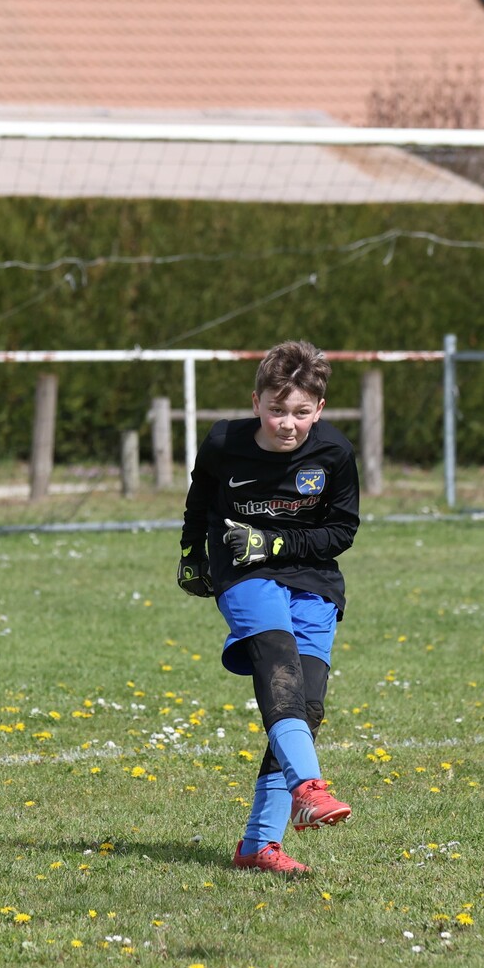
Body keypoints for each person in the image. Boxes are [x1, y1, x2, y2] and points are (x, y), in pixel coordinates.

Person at [177, 340, 359, 876]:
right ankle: (309, 788)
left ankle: (259, 847)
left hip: (312, 578)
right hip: (244, 570)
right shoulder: (223, 442)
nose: (288, 424)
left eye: (301, 412)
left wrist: (275, 543)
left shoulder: (335, 453)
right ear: (256, 402)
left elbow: (342, 530)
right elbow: (199, 499)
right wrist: (191, 554)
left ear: (319, 409)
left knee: (307, 705)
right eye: (277, 410)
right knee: (278, 667)